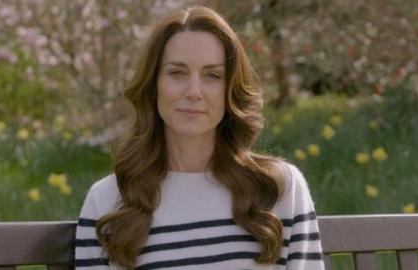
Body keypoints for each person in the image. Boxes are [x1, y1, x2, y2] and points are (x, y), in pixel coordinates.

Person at [75, 5, 325, 270]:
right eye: (177, 73)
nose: (194, 91)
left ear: (230, 90)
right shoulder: (108, 201)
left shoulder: (279, 189)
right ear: (153, 85)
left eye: (212, 76)